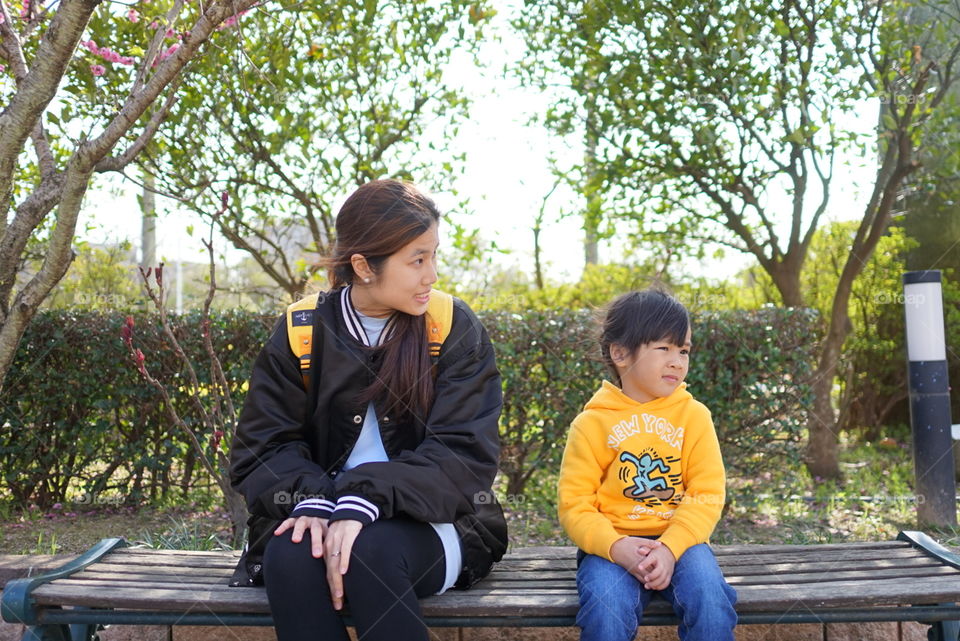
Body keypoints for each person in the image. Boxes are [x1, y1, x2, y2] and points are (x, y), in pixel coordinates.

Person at [228, 179, 507, 641]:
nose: (431, 274)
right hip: (321, 508)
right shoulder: (302, 330)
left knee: (369, 554)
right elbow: (262, 447)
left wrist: (366, 496)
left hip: (437, 521)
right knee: (290, 555)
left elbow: (464, 456)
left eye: (433, 255)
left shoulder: (452, 325)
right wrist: (311, 500)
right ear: (363, 266)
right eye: (417, 259)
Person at [557, 289, 737, 641]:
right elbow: (574, 504)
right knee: (604, 609)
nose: (677, 361)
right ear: (621, 353)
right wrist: (615, 546)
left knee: (710, 599)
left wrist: (671, 548)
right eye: (663, 348)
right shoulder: (592, 424)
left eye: (683, 350)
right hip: (612, 547)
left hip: (683, 544)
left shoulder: (693, 417)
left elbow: (706, 493)